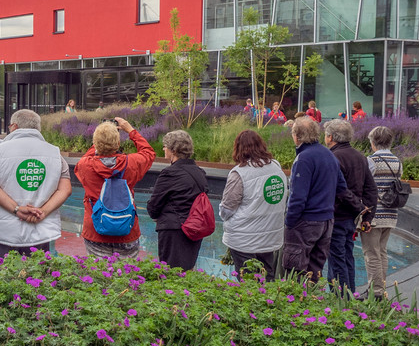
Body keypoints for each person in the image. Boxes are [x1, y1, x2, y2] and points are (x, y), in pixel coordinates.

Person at [0, 108, 72, 258]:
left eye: (10, 126)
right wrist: (42, 212)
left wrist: (17, 209)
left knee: (0, 278)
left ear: (15, 127)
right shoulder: (55, 153)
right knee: (35, 277)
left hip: (4, 232)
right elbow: (65, 190)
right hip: (39, 231)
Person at [75, 116, 155, 259]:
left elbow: (86, 156)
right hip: (127, 231)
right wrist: (130, 130)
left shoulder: (85, 166)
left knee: (98, 276)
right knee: (127, 278)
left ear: (95, 144)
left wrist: (101, 140)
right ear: (118, 144)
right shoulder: (132, 163)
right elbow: (148, 153)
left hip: (95, 232)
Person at [283, 116, 349, 284]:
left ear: (297, 136)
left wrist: (289, 223)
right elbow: (341, 187)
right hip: (326, 221)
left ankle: (296, 307)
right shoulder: (329, 154)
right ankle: (311, 305)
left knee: (295, 274)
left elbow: (297, 197)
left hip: (306, 222)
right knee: (314, 272)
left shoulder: (304, 158)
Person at [219, 130, 287, 281]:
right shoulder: (276, 167)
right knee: (267, 277)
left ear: (238, 148)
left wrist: (223, 216)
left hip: (244, 239)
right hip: (270, 236)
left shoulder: (239, 173)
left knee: (247, 281)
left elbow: (227, 208)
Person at [322, 119, 376, 296]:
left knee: (337, 260)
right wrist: (366, 216)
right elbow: (370, 189)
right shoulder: (360, 156)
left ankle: (342, 301)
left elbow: (338, 190)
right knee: (347, 257)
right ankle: (350, 295)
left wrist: (361, 208)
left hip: (337, 215)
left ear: (330, 137)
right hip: (351, 218)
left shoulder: (333, 157)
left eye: (326, 135)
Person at [145, 130, 207, 271]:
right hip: (194, 229)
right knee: (188, 272)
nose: (163, 149)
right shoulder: (200, 173)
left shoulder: (169, 174)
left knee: (171, 275)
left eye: (165, 146)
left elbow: (153, 207)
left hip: (173, 231)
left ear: (173, 150)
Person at [363, 125, 404, 300]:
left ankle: (376, 291)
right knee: (382, 251)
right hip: (391, 213)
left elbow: (365, 186)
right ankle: (381, 287)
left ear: (373, 142)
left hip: (374, 214)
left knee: (371, 253)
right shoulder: (397, 162)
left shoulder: (370, 161)